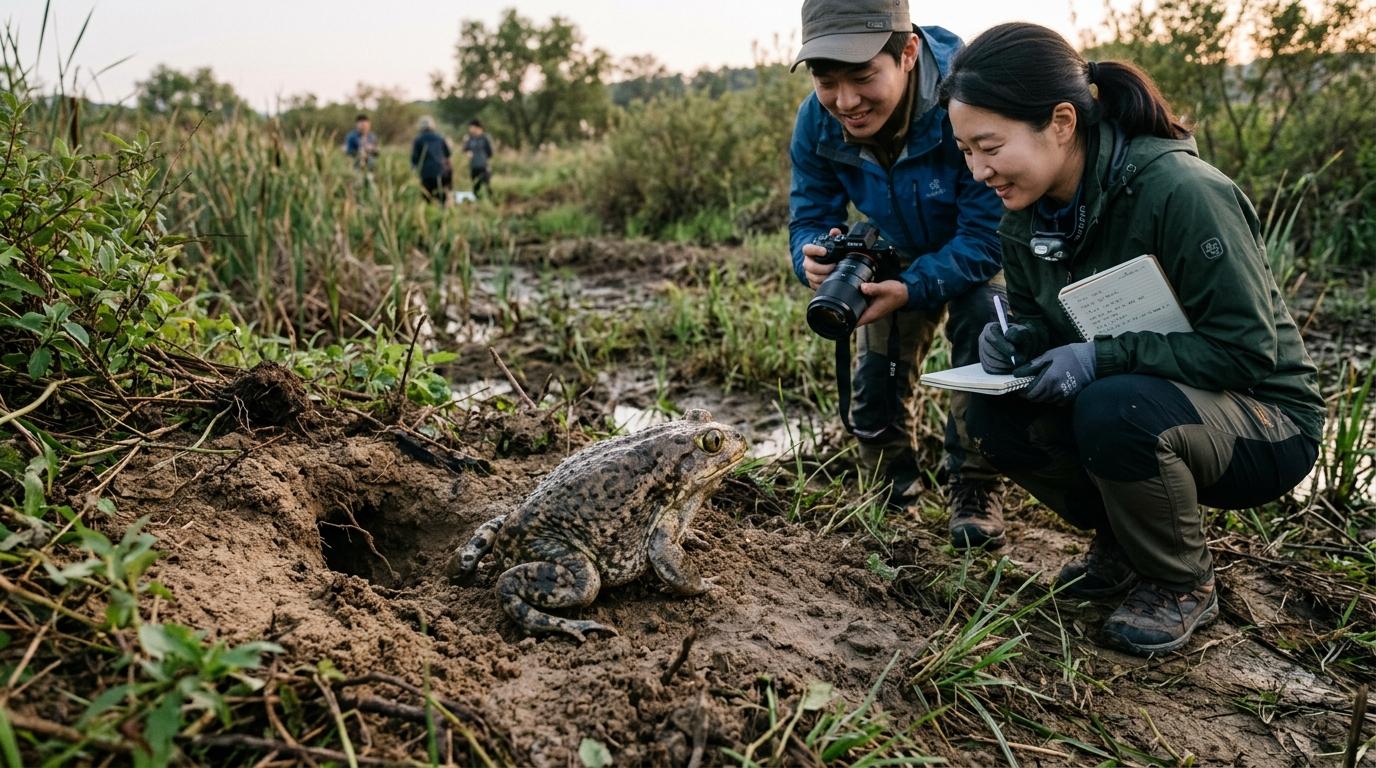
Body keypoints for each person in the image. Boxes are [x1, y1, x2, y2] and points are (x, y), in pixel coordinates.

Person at [939, 22, 1324, 655]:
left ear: (1062, 122)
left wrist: (1100, 357)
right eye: (963, 151)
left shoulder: (1182, 192)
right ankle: (1122, 544)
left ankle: (1180, 582)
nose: (978, 170)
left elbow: (1246, 350)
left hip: (1264, 418)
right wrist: (1015, 343)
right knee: (994, 411)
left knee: (1117, 407)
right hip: (1151, 397)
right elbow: (1042, 317)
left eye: (989, 146)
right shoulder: (1024, 215)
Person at [789, 0, 1006, 546]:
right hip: (895, 245)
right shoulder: (818, 120)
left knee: (984, 329)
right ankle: (890, 491)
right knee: (875, 373)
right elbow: (810, 217)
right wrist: (815, 256)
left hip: (985, 249)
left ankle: (975, 484)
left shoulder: (970, 97)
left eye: (863, 77)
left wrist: (913, 288)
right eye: (826, 81)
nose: (846, 101)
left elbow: (986, 235)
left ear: (908, 52)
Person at [411, 116, 452, 205]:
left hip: (426, 174)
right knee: (442, 197)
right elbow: (448, 154)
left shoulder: (418, 140)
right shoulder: (440, 138)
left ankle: (429, 213)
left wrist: (414, 169)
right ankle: (442, 215)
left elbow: (414, 159)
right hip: (440, 171)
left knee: (427, 198)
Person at [464, 119, 493, 198]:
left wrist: (488, 165)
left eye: (471, 127)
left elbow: (490, 153)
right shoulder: (470, 138)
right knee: (475, 187)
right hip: (473, 166)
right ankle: (477, 203)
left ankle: (491, 202)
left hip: (483, 166)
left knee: (487, 186)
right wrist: (467, 152)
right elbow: (465, 149)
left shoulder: (485, 138)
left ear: (476, 127)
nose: (469, 129)